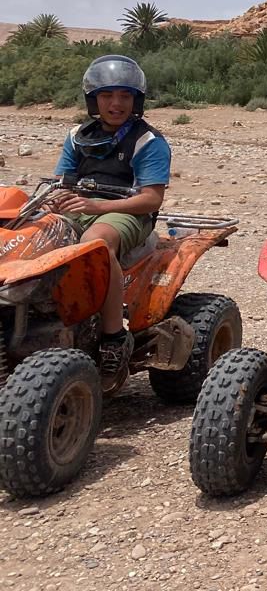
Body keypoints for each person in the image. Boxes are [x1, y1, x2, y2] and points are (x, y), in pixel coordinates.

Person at [50, 55, 172, 391]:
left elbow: (151, 198)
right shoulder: (78, 135)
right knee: (29, 232)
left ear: (136, 100)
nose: (116, 104)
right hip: (82, 204)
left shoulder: (148, 141)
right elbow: (61, 181)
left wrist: (99, 205)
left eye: (125, 96)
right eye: (107, 96)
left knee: (96, 243)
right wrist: (58, 199)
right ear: (94, 99)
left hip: (128, 211)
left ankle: (114, 338)